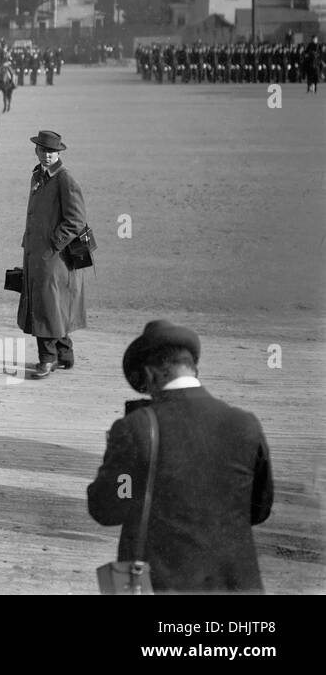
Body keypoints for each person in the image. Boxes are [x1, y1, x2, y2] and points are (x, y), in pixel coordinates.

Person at [87, 319, 274, 592]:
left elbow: (107, 509)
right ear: (192, 368)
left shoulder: (136, 428)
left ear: (151, 374)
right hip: (236, 585)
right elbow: (259, 510)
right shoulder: (245, 424)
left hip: (159, 584)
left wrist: (124, 469)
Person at [18, 129, 87, 377]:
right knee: (54, 305)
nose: (47, 155)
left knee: (44, 305)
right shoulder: (39, 175)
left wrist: (53, 243)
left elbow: (76, 220)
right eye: (43, 150)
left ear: (58, 153)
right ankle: (64, 355)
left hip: (53, 257)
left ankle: (47, 359)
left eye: (52, 152)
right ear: (36, 151)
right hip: (39, 253)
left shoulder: (65, 180)